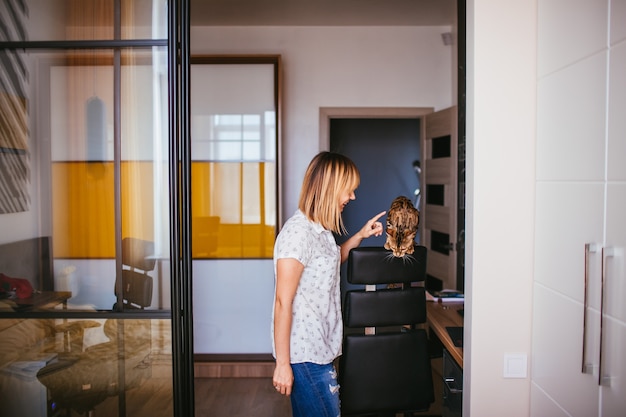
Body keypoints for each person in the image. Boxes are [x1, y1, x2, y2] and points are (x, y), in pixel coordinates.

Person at [271, 151, 385, 417]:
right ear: (331, 188)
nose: (352, 197)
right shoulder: (297, 234)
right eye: (349, 190)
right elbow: (282, 302)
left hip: (322, 349)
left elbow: (332, 262)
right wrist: (283, 364)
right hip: (306, 356)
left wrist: (360, 235)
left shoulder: (320, 231)